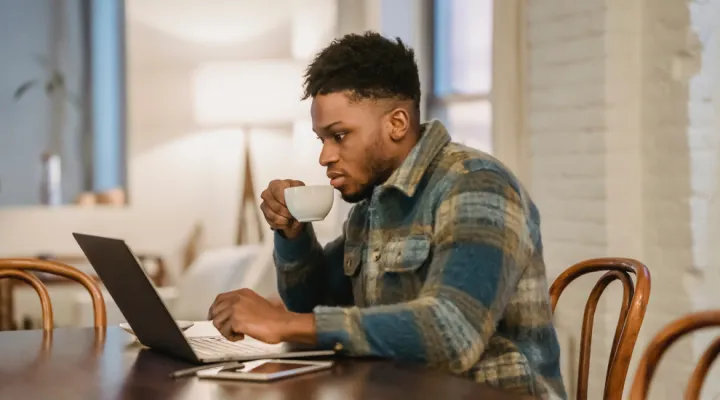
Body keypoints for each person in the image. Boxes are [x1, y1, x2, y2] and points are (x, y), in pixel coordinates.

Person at [208, 31, 566, 399]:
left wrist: (284, 322)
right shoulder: (374, 200)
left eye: (340, 135)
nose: (325, 157)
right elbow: (312, 306)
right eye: (322, 140)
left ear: (396, 124)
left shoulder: (477, 185)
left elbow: (453, 333)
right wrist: (292, 235)